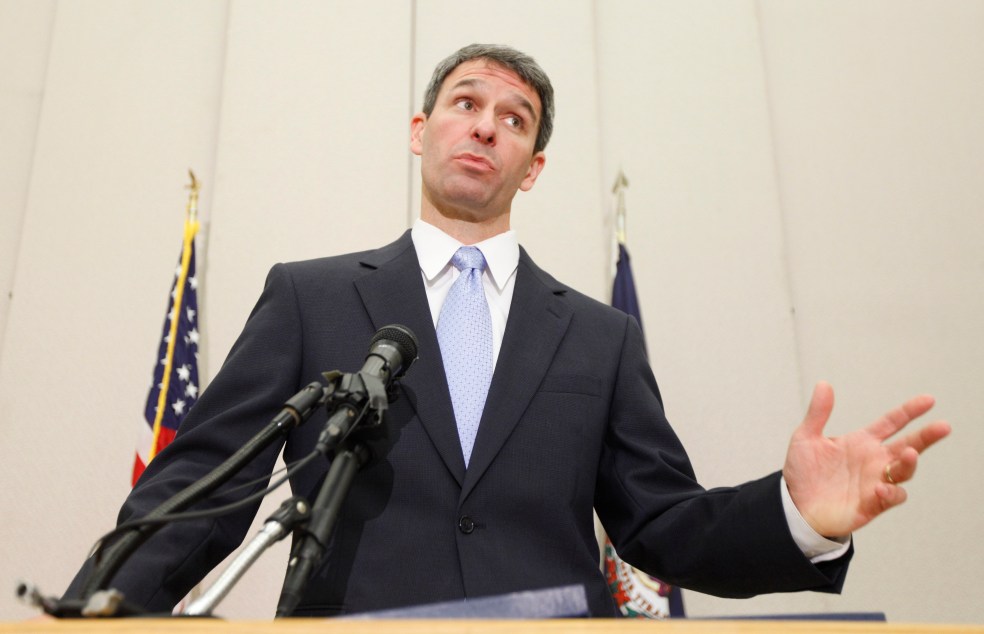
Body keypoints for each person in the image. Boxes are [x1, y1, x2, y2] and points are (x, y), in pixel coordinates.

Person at [64, 44, 950, 617]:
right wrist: (92, 611)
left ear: (533, 168)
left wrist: (801, 516)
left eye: (514, 119)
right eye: (465, 103)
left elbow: (663, 526)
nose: (487, 125)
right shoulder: (310, 297)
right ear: (421, 130)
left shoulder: (599, 338)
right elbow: (198, 492)